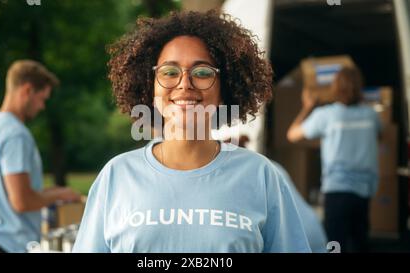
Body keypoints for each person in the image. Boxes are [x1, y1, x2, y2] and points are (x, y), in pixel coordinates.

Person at [73, 10, 310, 253]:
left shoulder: (260, 175)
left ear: (224, 89)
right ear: (149, 86)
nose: (185, 83)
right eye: (169, 72)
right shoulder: (117, 176)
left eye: (203, 73)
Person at [0, 60, 81, 253]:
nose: (42, 107)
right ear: (27, 90)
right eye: (42, 99)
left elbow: (7, 192)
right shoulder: (15, 134)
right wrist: (59, 195)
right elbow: (21, 201)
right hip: (11, 244)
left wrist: (52, 191)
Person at [287, 67, 382, 252]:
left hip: (337, 190)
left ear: (335, 87)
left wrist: (307, 107)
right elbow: (380, 136)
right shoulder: (371, 115)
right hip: (364, 191)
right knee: (360, 243)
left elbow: (292, 135)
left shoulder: (326, 115)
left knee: (334, 246)